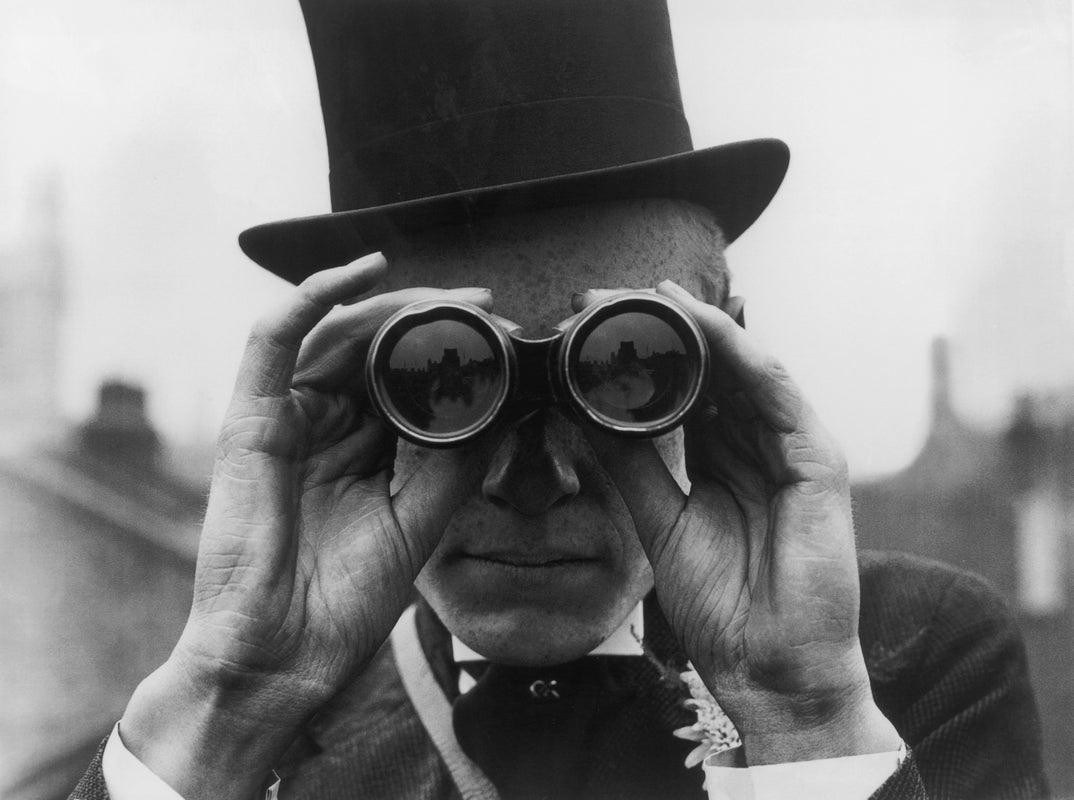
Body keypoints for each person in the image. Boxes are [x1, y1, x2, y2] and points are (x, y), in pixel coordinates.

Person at [69, 0, 1048, 798]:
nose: (532, 479)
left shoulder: (904, 661)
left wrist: (804, 715)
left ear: (726, 360)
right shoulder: (253, 727)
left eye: (620, 364)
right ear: (351, 387)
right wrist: (229, 703)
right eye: (445, 377)